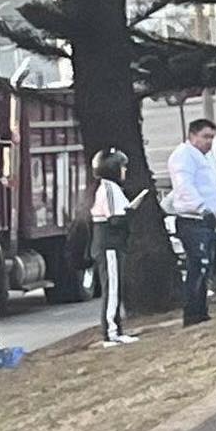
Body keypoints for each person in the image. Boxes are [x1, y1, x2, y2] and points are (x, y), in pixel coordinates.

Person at [168, 118, 216, 327]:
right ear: (192, 136)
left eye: (212, 137)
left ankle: (201, 309)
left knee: (206, 264)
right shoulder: (184, 156)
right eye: (205, 137)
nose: (209, 142)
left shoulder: (205, 157)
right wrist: (202, 208)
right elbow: (184, 186)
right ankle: (193, 313)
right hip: (193, 219)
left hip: (206, 220)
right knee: (198, 265)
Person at [90, 148, 139, 348]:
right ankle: (111, 332)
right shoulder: (109, 187)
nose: (125, 171)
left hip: (114, 244)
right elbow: (115, 219)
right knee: (111, 289)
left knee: (115, 287)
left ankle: (116, 329)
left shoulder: (113, 188)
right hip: (109, 244)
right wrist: (130, 213)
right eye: (122, 167)